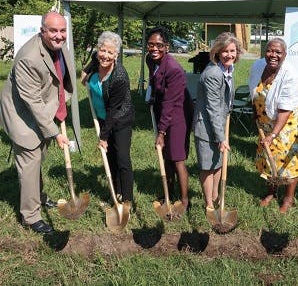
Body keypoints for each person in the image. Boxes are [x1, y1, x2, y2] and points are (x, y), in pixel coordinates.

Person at [0, 12, 75, 234]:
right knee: (30, 164)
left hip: (45, 108)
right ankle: (30, 216)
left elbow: (61, 78)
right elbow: (32, 101)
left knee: (39, 158)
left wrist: (61, 106)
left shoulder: (60, 46)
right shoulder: (29, 57)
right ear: (42, 30)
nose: (59, 35)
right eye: (53, 30)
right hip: (22, 116)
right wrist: (55, 132)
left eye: (62, 30)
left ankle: (38, 197)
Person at [249, 38, 298, 213]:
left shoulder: (290, 75)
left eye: (278, 52)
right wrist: (254, 109)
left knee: (288, 158)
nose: (273, 55)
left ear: (285, 55)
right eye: (270, 51)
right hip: (266, 116)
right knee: (268, 155)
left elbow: (285, 111)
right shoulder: (258, 66)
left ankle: (288, 198)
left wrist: (273, 134)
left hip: (291, 118)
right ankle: (271, 192)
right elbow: (254, 90)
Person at [82, 31, 134, 207]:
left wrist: (103, 137)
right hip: (103, 117)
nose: (105, 55)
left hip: (120, 119)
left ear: (116, 55)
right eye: (102, 50)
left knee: (122, 158)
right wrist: (85, 74)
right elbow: (90, 66)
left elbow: (113, 110)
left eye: (110, 53)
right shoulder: (98, 59)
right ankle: (115, 192)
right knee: (110, 157)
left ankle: (127, 199)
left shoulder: (119, 76)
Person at [145, 26, 193, 212]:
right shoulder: (151, 60)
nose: (154, 48)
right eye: (151, 44)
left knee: (177, 158)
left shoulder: (175, 70)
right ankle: (168, 194)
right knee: (166, 157)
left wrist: (162, 131)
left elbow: (170, 103)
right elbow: (155, 82)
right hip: (163, 110)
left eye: (159, 45)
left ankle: (184, 201)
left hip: (178, 113)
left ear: (167, 47)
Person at [193, 32, 242, 211]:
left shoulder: (228, 69)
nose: (230, 55)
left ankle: (215, 197)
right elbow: (212, 108)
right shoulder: (213, 73)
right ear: (217, 52)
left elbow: (225, 100)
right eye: (225, 51)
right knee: (208, 166)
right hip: (206, 126)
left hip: (221, 122)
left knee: (219, 163)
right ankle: (208, 205)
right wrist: (221, 138)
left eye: (233, 50)